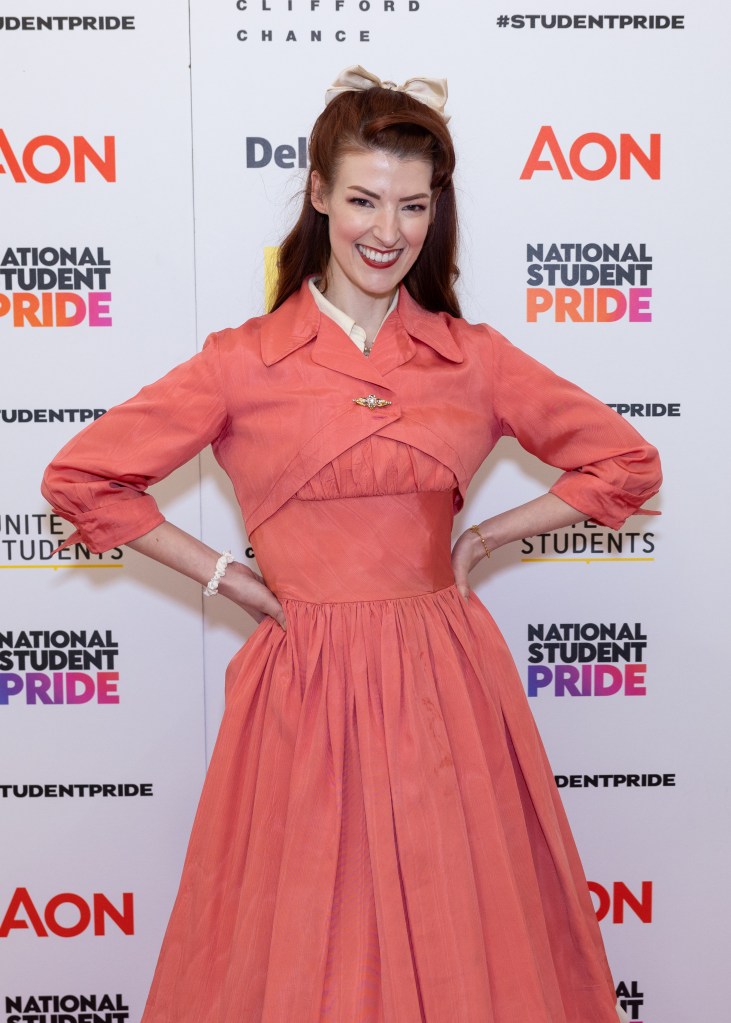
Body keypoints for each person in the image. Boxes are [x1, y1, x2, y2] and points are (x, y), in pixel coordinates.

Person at [42, 65, 659, 1023]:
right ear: (319, 194)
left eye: (412, 205)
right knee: (308, 945)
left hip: (445, 685)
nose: (387, 230)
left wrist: (488, 533)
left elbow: (624, 463)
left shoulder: (473, 357)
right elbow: (81, 479)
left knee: (461, 939)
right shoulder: (240, 363)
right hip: (305, 684)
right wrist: (226, 576)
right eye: (364, 199)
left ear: (433, 211)